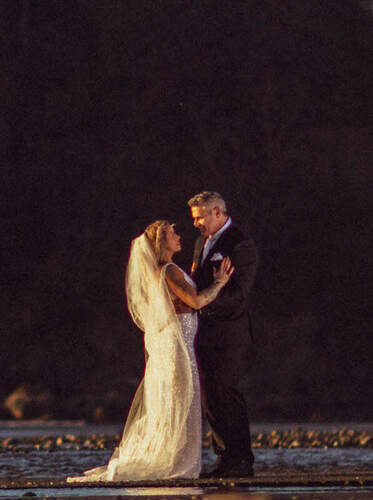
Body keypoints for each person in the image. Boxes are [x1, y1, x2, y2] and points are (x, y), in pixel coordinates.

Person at [75, 220, 233, 481]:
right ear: (162, 242)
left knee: (175, 403)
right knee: (180, 402)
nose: (179, 236)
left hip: (174, 345)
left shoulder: (164, 271)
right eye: (173, 234)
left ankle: (171, 459)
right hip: (178, 348)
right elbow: (194, 301)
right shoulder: (168, 270)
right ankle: (173, 464)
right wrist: (219, 283)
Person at [188, 190, 259, 478]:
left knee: (228, 393)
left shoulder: (240, 245)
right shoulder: (201, 242)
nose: (196, 223)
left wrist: (205, 301)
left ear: (217, 212)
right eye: (194, 218)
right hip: (204, 333)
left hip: (230, 333)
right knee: (210, 397)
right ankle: (225, 457)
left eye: (200, 217)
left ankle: (242, 459)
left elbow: (239, 296)